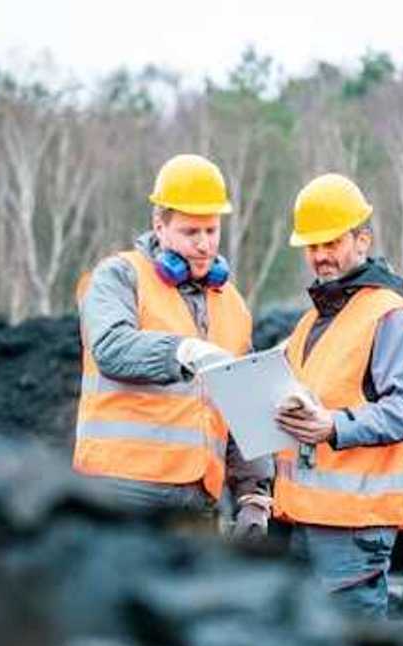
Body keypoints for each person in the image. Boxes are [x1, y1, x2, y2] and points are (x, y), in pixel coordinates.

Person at [73, 154, 272, 536]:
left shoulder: (230, 302)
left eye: (212, 231)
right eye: (190, 232)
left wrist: (253, 496)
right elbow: (111, 347)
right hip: (122, 490)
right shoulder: (118, 276)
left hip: (196, 497)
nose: (204, 245)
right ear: (159, 227)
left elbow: (246, 405)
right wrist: (184, 351)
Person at [273, 173, 403, 618]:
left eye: (332, 243)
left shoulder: (389, 315)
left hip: (353, 528)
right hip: (302, 519)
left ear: (362, 240)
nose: (321, 256)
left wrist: (335, 426)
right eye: (313, 246)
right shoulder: (312, 323)